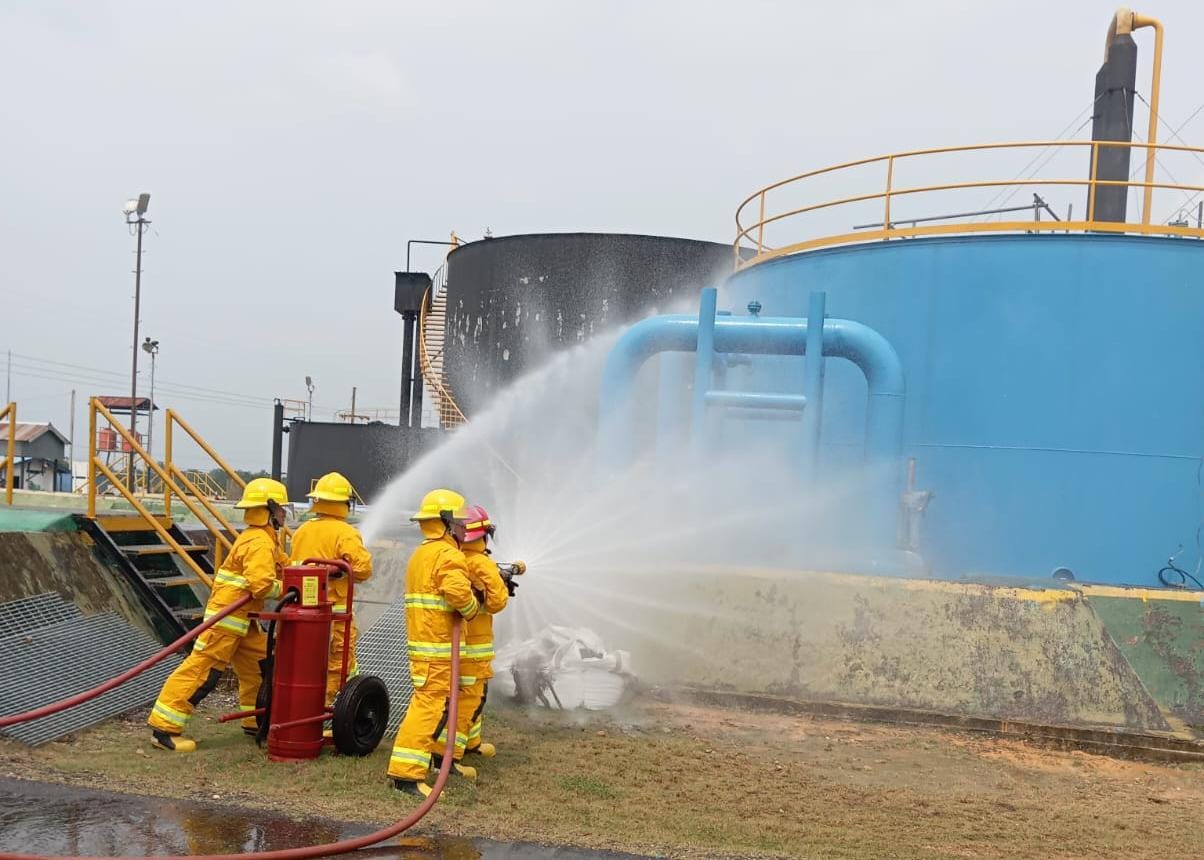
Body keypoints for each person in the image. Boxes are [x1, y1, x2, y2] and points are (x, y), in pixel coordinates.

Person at [147, 478, 290, 752]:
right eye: (281, 508)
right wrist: (292, 588)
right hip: (227, 619)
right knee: (203, 670)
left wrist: (301, 570)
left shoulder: (262, 539)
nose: (284, 514)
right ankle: (164, 728)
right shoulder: (259, 542)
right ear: (269, 509)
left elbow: (281, 564)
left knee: (259, 668)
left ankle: (254, 719)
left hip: (243, 621)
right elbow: (261, 583)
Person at [387, 488, 482, 797]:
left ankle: (424, 766)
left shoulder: (423, 554)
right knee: (427, 707)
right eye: (460, 522)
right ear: (444, 522)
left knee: (434, 705)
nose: (465, 528)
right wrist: (471, 608)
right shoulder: (448, 555)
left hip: (427, 646)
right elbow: (456, 593)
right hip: (437, 648)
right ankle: (405, 775)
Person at [289, 471, 373, 706]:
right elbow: (363, 569)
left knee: (303, 660)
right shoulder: (345, 532)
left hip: (300, 609)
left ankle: (300, 704)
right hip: (334, 611)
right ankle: (328, 705)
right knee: (339, 659)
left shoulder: (302, 531)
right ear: (345, 503)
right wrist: (341, 571)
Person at [439, 504, 508, 763]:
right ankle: (451, 757)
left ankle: (472, 742)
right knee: (471, 698)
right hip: (476, 645)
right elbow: (498, 602)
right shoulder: (481, 563)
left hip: (454, 645)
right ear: (484, 534)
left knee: (464, 695)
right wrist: (499, 583)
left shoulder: (454, 559)